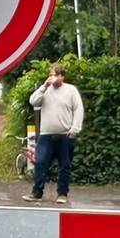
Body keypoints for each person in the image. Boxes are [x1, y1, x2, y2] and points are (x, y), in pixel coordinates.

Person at [22, 63, 84, 205]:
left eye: (55, 75)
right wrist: (44, 86)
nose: (52, 77)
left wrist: (75, 129)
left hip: (65, 135)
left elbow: (78, 110)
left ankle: (62, 194)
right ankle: (37, 193)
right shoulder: (45, 90)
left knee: (64, 166)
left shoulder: (71, 90)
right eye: (50, 74)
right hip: (46, 135)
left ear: (62, 76)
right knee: (41, 163)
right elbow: (33, 101)